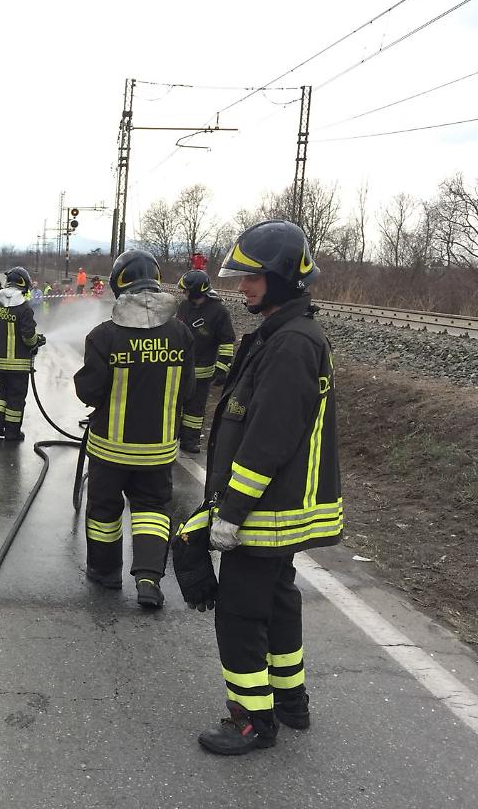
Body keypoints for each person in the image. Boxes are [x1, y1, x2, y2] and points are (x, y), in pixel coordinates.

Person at [173, 219, 343, 756]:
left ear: (283, 279)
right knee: (277, 602)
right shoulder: (284, 334)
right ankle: (292, 704)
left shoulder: (291, 343)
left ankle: (251, 721)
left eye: (253, 278)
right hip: (275, 508)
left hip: (263, 512)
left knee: (242, 615)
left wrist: (229, 512)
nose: (242, 287)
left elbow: (267, 439)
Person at [73, 250, 194, 607]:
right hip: (158, 450)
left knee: (105, 513)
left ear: (119, 284)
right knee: (153, 511)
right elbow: (188, 390)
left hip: (110, 450)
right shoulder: (182, 334)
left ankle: (106, 573)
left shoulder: (104, 336)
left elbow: (89, 390)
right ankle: (149, 579)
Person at [176, 270, 236, 454]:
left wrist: (222, 368)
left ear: (195, 291)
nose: (183, 293)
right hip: (179, 369)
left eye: (186, 290)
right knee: (175, 406)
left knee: (195, 410)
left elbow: (227, 341)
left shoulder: (219, 312)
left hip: (202, 373)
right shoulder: (184, 307)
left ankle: (190, 440)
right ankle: (172, 437)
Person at [0, 266, 44, 442]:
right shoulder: (24, 308)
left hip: (0, 361)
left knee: (3, 392)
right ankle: (12, 433)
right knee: (16, 398)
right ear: (23, 284)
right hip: (18, 364)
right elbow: (28, 337)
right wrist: (37, 341)